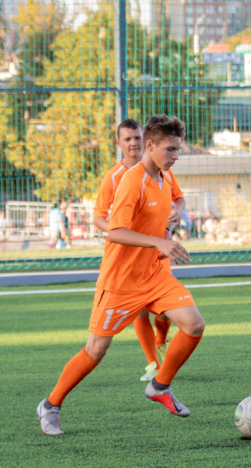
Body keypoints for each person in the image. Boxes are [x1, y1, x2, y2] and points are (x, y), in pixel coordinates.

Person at [38, 115, 205, 436]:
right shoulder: (131, 181)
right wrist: (159, 241)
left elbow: (171, 204)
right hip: (121, 282)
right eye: (170, 150)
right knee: (95, 351)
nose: (176, 156)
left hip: (155, 275)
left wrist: (173, 219)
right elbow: (114, 231)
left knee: (194, 324)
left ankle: (160, 386)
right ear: (150, 146)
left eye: (178, 150)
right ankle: (50, 404)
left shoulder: (165, 177)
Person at [92, 118, 177, 382]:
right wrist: (123, 230)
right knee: (139, 311)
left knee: (168, 311)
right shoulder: (116, 178)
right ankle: (153, 363)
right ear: (118, 143)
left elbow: (176, 199)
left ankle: (161, 337)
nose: (133, 143)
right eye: (127, 139)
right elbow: (99, 218)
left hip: (158, 254)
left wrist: (171, 221)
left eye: (137, 137)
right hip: (130, 256)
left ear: (146, 141)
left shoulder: (163, 168)